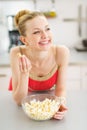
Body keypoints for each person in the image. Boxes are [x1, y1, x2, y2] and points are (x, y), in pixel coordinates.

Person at [8, 9, 70, 120]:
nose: (45, 35)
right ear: (24, 40)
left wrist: (60, 104)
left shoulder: (61, 52)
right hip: (28, 99)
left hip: (49, 97)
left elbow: (60, 89)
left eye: (47, 29)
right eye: (37, 32)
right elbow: (18, 101)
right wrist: (24, 73)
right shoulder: (17, 54)